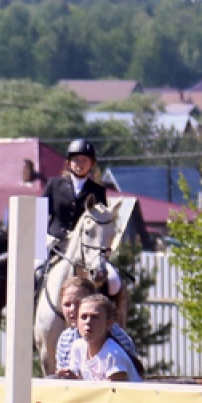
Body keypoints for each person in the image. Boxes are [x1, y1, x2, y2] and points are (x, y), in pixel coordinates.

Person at [42, 138, 123, 297]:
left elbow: (102, 224)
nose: (80, 163)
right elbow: (39, 214)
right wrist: (45, 238)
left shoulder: (98, 191)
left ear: (91, 164)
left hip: (86, 249)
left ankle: (111, 316)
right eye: (76, 159)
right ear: (68, 162)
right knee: (33, 272)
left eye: (85, 160)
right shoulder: (54, 184)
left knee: (114, 281)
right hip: (54, 245)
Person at [52, 275, 143, 380]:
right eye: (67, 305)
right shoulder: (68, 340)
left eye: (78, 303)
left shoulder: (114, 348)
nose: (72, 309)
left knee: (114, 280)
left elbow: (114, 391)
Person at [62, 293, 138, 382]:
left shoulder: (112, 354)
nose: (88, 322)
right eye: (83, 317)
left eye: (95, 317)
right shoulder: (78, 347)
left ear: (109, 323)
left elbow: (112, 394)